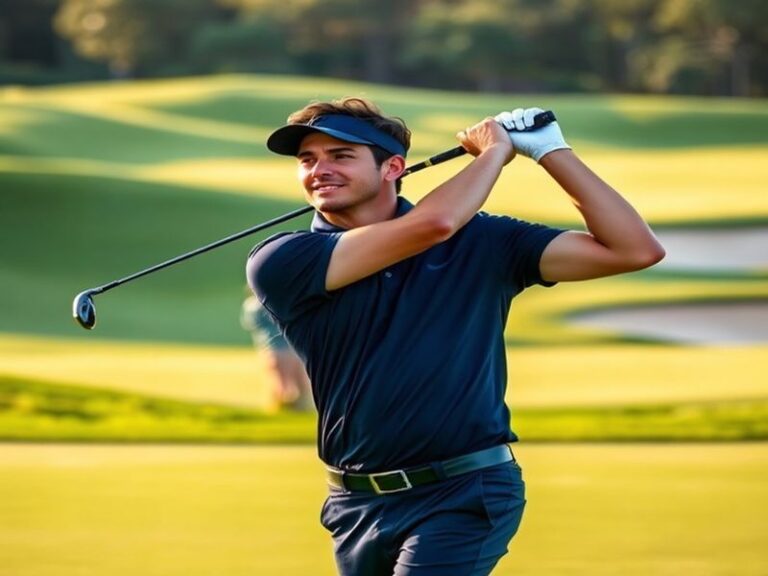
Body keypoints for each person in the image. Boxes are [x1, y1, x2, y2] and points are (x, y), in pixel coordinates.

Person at [246, 98, 664, 575]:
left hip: (465, 489)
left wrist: (550, 150)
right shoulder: (283, 258)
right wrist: (493, 154)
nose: (319, 169)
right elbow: (433, 224)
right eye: (307, 160)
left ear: (393, 168)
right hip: (354, 505)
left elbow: (634, 249)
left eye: (341, 155)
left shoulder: (484, 242)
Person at [240, 292, 312, 411]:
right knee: (292, 386)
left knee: (282, 384)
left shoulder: (251, 306)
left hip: (271, 350)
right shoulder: (273, 303)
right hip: (289, 348)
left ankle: (289, 409)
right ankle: (294, 410)